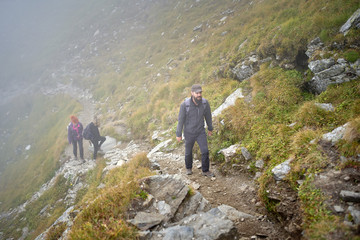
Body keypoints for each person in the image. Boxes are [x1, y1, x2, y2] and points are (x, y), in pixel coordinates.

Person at [176, 84, 215, 177]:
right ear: (192, 93)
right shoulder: (185, 105)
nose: (199, 95)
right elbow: (180, 120)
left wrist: (210, 128)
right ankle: (188, 168)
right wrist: (178, 134)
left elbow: (208, 117)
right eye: (197, 93)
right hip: (189, 132)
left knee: (205, 151)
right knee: (188, 152)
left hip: (200, 131)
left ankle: (205, 170)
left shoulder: (205, 103)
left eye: (200, 92)